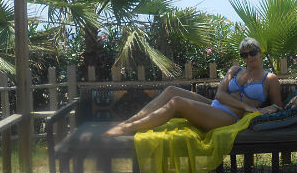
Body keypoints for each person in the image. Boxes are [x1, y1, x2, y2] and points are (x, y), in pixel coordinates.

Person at [105, 37, 282, 136]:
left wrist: (266, 109)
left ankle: (129, 129)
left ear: (260, 52)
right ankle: (128, 121)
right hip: (215, 105)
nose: (249, 57)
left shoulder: (269, 78)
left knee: (177, 102)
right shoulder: (235, 70)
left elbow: (278, 105)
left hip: (230, 117)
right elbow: (220, 95)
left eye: (252, 53)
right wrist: (245, 105)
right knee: (171, 90)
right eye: (244, 55)